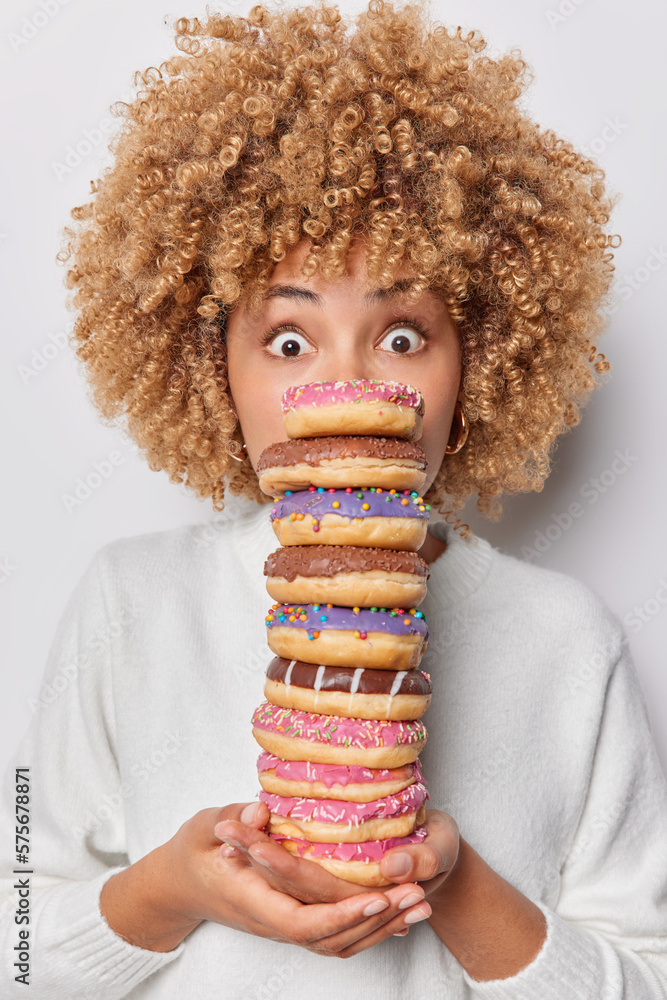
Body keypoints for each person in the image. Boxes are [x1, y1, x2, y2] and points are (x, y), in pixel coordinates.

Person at [2, 1, 666, 997]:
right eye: (287, 339)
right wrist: (178, 888)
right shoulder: (127, 604)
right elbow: (17, 942)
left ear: (479, 359)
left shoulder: (570, 643)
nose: (348, 386)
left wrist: (456, 884)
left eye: (403, 335)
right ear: (208, 364)